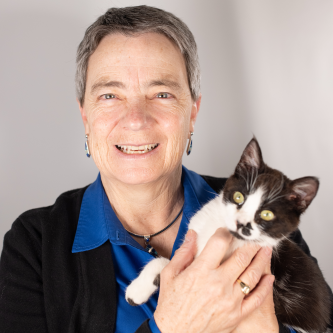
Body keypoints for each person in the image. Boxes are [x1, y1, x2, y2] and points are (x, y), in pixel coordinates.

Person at [0, 5, 331, 333]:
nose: (136, 118)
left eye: (161, 93)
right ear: (85, 116)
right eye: (110, 95)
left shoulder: (266, 216)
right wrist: (172, 326)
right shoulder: (35, 244)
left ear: (193, 113)